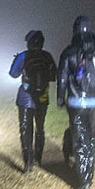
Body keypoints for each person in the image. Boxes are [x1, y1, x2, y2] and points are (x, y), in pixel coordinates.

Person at [57, 15, 95, 189]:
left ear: (75, 30)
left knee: (80, 140)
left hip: (78, 102)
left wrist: (60, 98)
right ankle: (88, 173)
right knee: (91, 137)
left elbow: (62, 77)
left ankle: (84, 181)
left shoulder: (69, 52)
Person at [9, 30, 57, 173]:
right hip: (43, 97)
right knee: (40, 128)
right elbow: (54, 75)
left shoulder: (23, 56)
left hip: (25, 97)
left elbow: (13, 74)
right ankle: (38, 158)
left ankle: (28, 163)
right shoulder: (47, 56)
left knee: (25, 129)